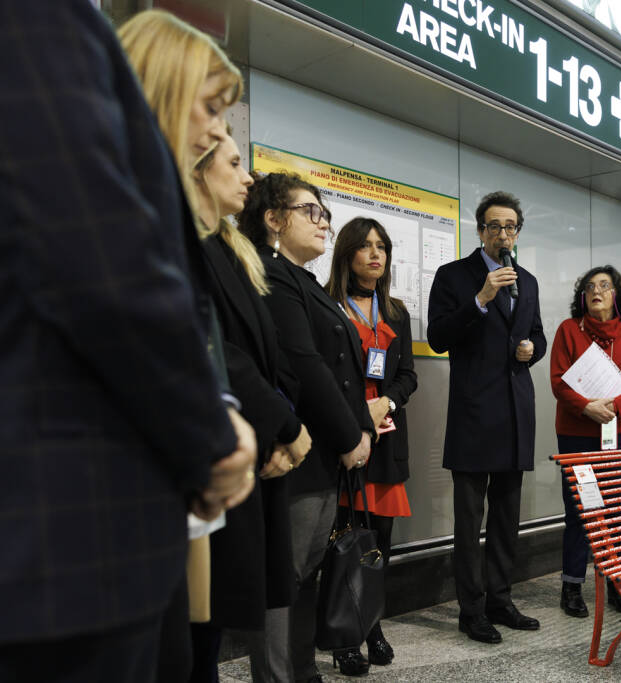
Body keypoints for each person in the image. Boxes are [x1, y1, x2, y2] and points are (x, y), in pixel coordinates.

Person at [0, 5, 255, 682]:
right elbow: (103, 266)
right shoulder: (39, 18)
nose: (217, 130)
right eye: (210, 108)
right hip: (68, 542)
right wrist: (211, 437)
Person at [239, 173, 375, 682]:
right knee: (283, 578)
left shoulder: (305, 281)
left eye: (325, 213)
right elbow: (307, 365)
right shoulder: (271, 276)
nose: (323, 222)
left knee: (305, 575)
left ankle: (302, 670)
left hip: (325, 455)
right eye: (309, 211)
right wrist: (350, 437)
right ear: (273, 219)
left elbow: (343, 371)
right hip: (296, 452)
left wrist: (360, 432)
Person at [193, 132, 313, 681]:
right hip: (220, 451)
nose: (248, 177)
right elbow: (223, 353)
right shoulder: (186, 242)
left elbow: (273, 357)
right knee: (196, 628)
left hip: (258, 449)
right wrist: (283, 428)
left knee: (211, 623)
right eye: (236, 163)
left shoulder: (229, 248)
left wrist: (280, 437)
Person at [427, 191, 547, 645]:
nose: (503, 234)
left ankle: (501, 599)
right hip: (475, 413)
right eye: (494, 226)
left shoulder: (528, 281)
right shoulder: (454, 275)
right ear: (479, 230)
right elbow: (438, 337)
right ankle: (471, 610)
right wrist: (480, 297)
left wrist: (532, 349)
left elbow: (537, 334)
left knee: (506, 518)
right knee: (468, 519)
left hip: (517, 412)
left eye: (511, 226)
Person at [325, 218, 418, 673]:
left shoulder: (395, 311)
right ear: (347, 254)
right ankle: (345, 637)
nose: (374, 254)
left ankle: (372, 626)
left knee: (380, 542)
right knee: (343, 539)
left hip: (386, 439)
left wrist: (386, 401)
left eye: (381, 247)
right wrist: (360, 414)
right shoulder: (328, 307)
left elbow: (408, 376)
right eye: (364, 247)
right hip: (344, 437)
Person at [549, 266, 621, 618]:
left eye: (604, 286)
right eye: (590, 286)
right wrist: (586, 407)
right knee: (581, 509)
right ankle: (572, 585)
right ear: (583, 296)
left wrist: (612, 408)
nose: (597, 291)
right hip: (577, 433)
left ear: (616, 296)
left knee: (617, 509)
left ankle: (616, 584)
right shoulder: (568, 331)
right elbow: (559, 382)